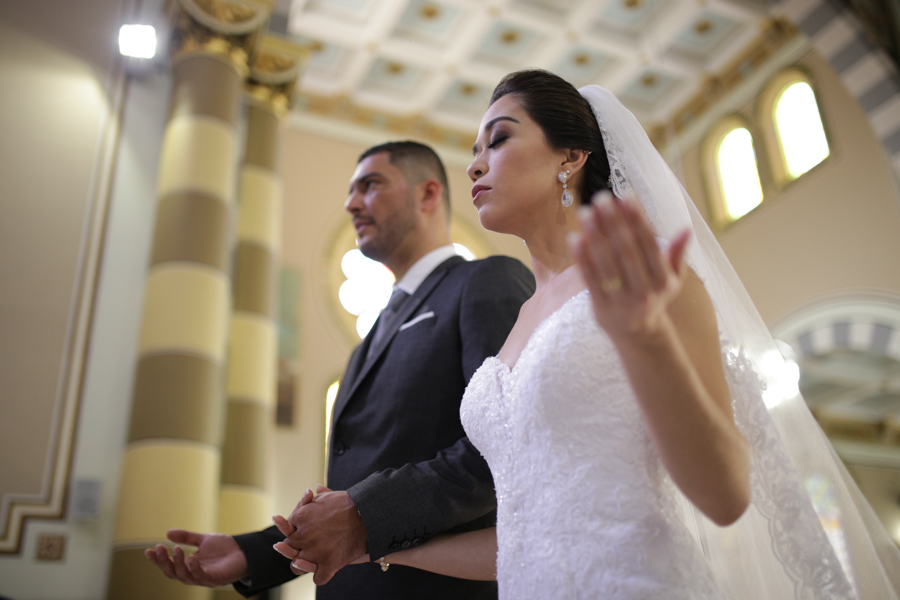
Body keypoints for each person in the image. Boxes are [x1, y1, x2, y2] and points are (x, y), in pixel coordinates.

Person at [277, 71, 900, 598]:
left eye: (498, 140)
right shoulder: (521, 320)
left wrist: (647, 338)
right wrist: (378, 548)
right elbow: (526, 534)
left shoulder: (654, 279)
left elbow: (727, 495)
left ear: (570, 157)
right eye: (474, 149)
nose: (475, 163)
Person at [145, 141, 535, 599]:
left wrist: (361, 516)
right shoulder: (368, 342)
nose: (351, 203)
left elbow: (500, 448)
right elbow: (354, 489)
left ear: (428, 194)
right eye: (351, 191)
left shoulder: (483, 282)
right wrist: (254, 554)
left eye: (370, 186)